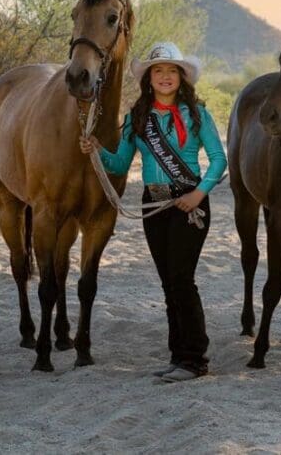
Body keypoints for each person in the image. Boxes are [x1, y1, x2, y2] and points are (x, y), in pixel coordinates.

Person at [79, 42, 226, 382]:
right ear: (149, 78)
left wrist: (198, 193)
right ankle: (179, 356)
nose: (164, 77)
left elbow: (219, 160)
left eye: (170, 71)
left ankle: (194, 359)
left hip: (189, 204)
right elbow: (119, 163)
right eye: (157, 71)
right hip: (152, 204)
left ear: (181, 77)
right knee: (167, 282)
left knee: (182, 279)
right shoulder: (137, 117)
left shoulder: (198, 114)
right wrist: (97, 150)